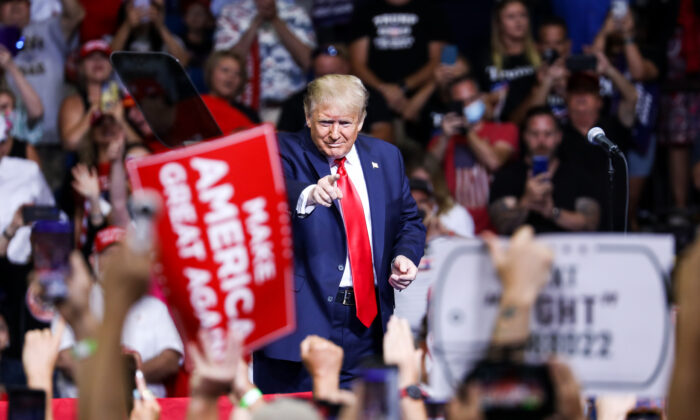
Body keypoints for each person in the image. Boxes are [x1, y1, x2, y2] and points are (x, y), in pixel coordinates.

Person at [256, 74, 425, 393]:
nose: (335, 134)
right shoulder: (279, 148)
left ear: (361, 121)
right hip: (301, 322)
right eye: (325, 122)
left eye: (345, 123)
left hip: (368, 326)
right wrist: (307, 194)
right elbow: (272, 189)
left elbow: (408, 220)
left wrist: (405, 255)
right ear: (308, 116)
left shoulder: (386, 157)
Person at [52, 226, 184, 398]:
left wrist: (128, 376)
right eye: (107, 254)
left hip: (145, 407)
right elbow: (65, 357)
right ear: (93, 260)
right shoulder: (75, 301)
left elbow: (170, 359)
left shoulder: (154, 307)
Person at [1, 0, 85, 186]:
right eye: (7, 2)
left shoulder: (47, 29)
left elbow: (76, 14)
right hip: (7, 144)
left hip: (51, 140)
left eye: (21, 2)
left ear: (30, 7)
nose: (15, 6)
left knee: (46, 206)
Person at [427, 75, 519, 233]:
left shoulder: (504, 129)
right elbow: (427, 169)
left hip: (494, 226)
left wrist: (467, 130)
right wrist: (444, 137)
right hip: (453, 227)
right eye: (461, 103)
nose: (468, 106)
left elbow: (494, 161)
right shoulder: (443, 138)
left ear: (482, 98)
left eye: (472, 99)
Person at [489, 107, 600, 234]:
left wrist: (551, 211)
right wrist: (526, 202)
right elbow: (501, 225)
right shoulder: (507, 176)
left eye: (548, 134)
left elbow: (590, 224)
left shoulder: (578, 176)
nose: (541, 141)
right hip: (521, 251)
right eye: (535, 134)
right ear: (525, 136)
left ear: (558, 137)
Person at [213, 0, 316, 122]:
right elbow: (222, 62)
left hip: (289, 111)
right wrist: (256, 22)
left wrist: (275, 19)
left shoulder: (296, 12)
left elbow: (308, 62)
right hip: (242, 109)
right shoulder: (230, 13)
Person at [277, 43, 393, 143]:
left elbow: (385, 137)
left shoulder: (370, 97)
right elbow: (283, 142)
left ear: (347, 68)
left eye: (333, 74)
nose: (327, 81)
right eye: (321, 75)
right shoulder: (296, 102)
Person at [348, 0, 448, 115]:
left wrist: (403, 88)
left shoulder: (431, 8)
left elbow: (438, 59)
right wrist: (385, 90)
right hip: (375, 96)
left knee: (452, 67)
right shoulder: (365, 9)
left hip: (422, 94)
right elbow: (357, 64)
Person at [482, 0, 540, 122]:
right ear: (498, 23)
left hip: (536, 128)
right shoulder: (484, 58)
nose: (518, 22)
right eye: (511, 16)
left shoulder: (541, 55)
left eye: (522, 15)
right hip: (499, 129)